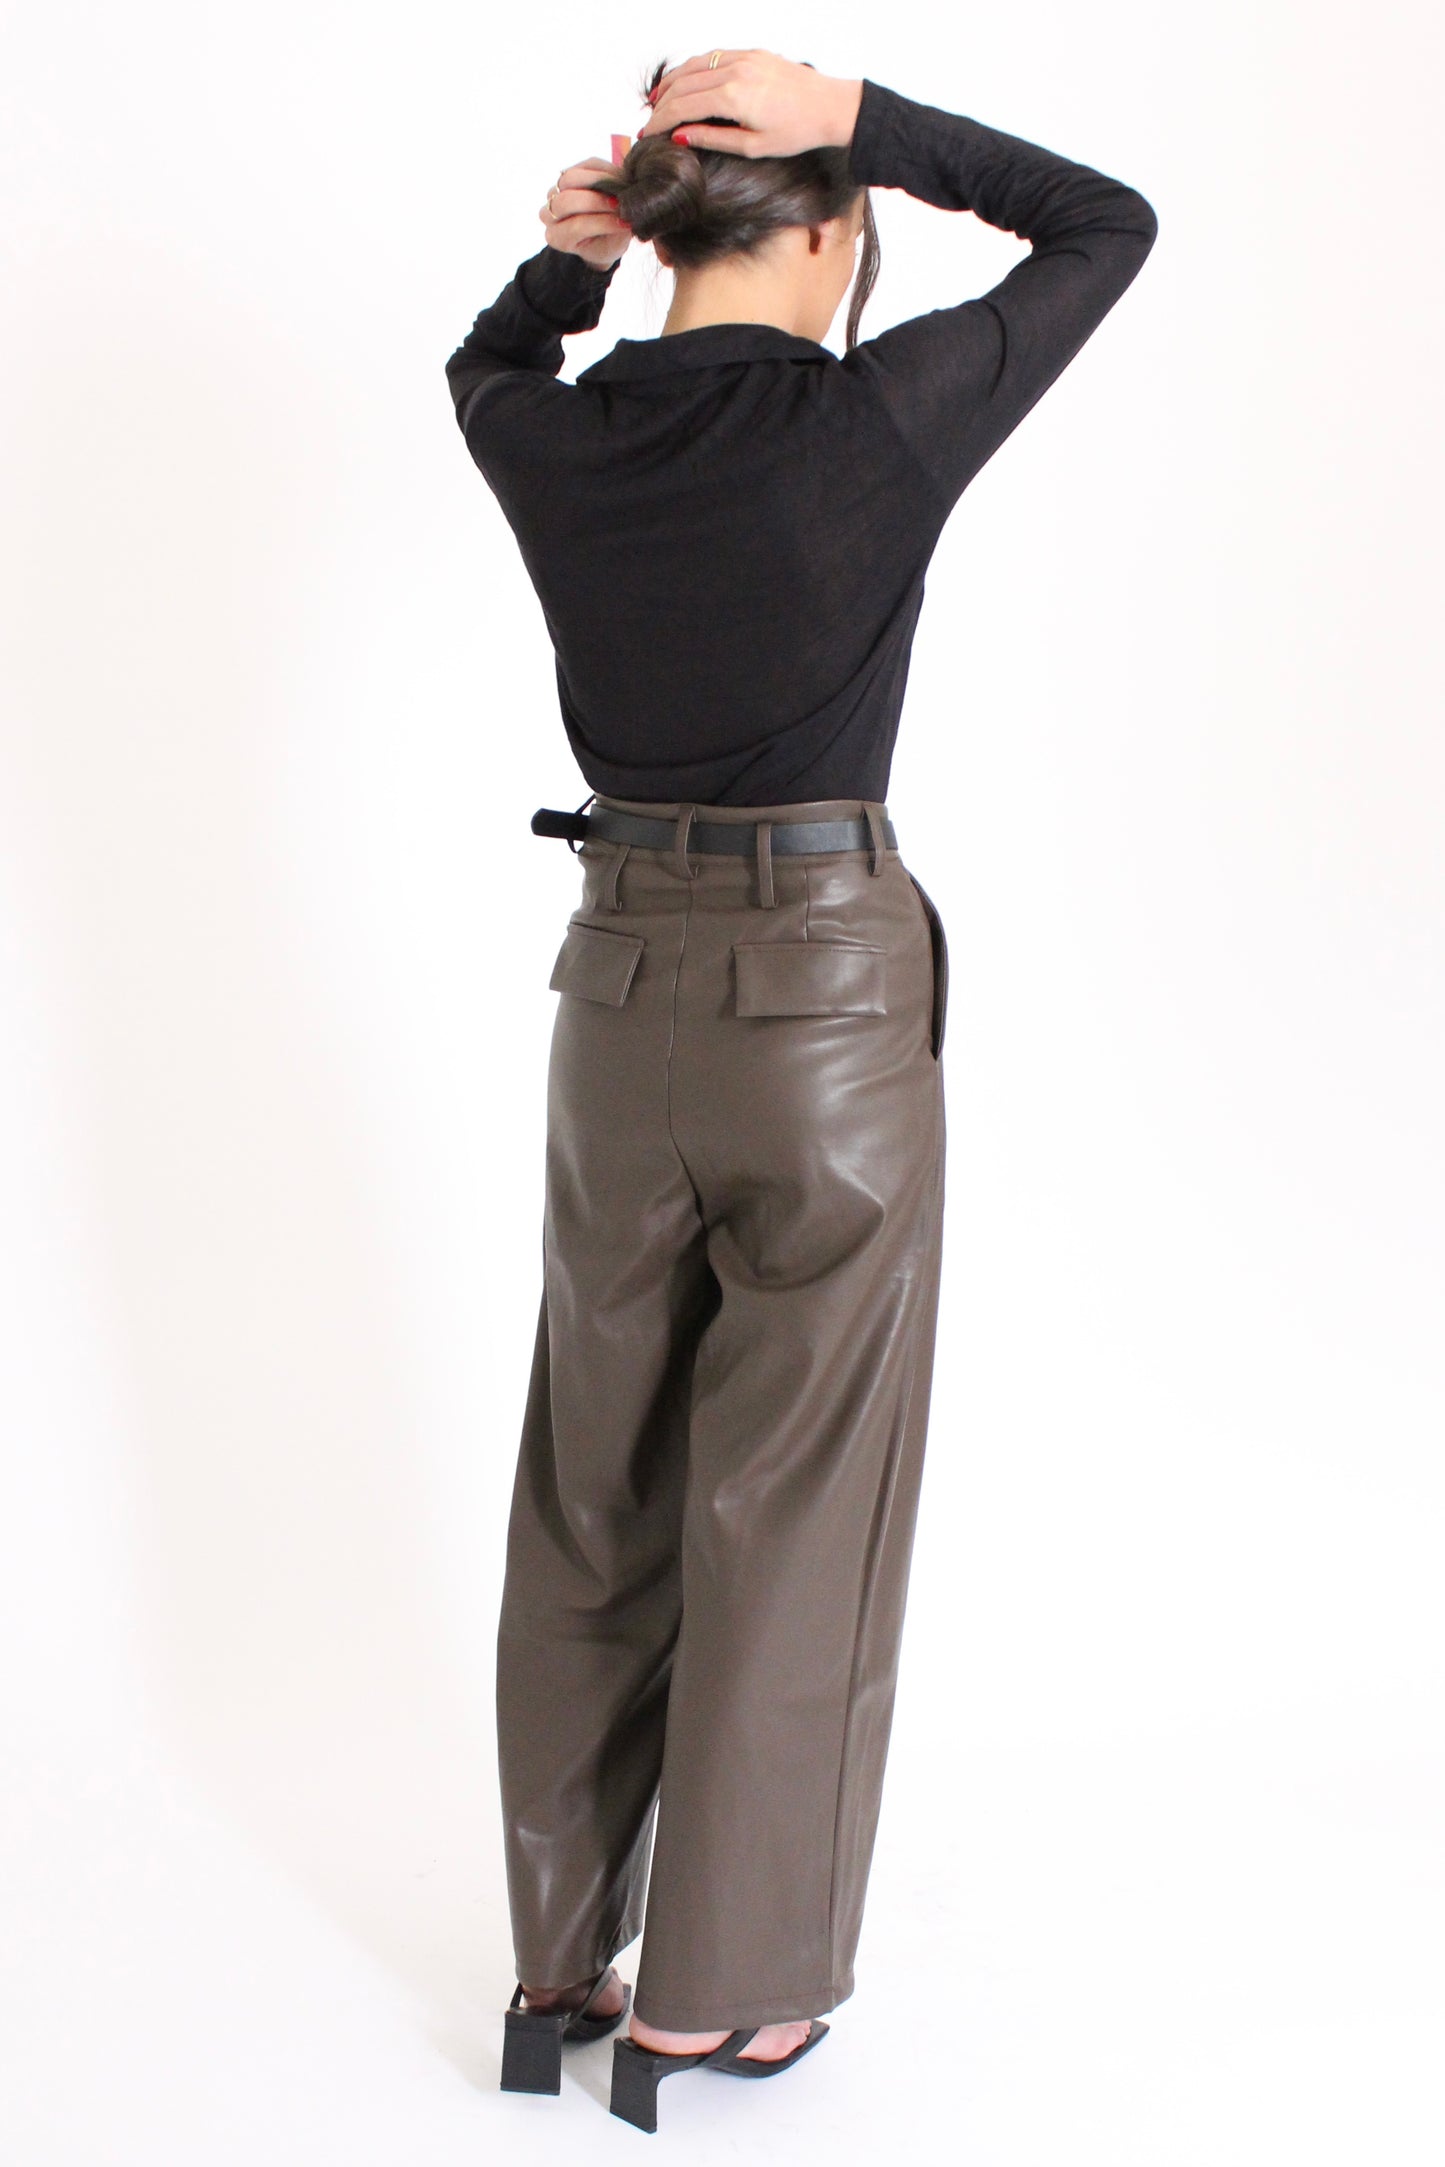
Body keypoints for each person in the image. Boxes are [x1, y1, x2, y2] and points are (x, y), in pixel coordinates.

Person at [444, 47, 1156, 2130]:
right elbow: (1106, 223)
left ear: (658, 230)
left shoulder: (552, 436)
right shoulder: (876, 417)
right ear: (836, 233)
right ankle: (720, 1999)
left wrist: (563, 269)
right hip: (821, 1011)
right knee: (792, 1503)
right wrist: (865, 105)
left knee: (593, 1479)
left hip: (613, 996)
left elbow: (486, 365)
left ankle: (557, 1966)